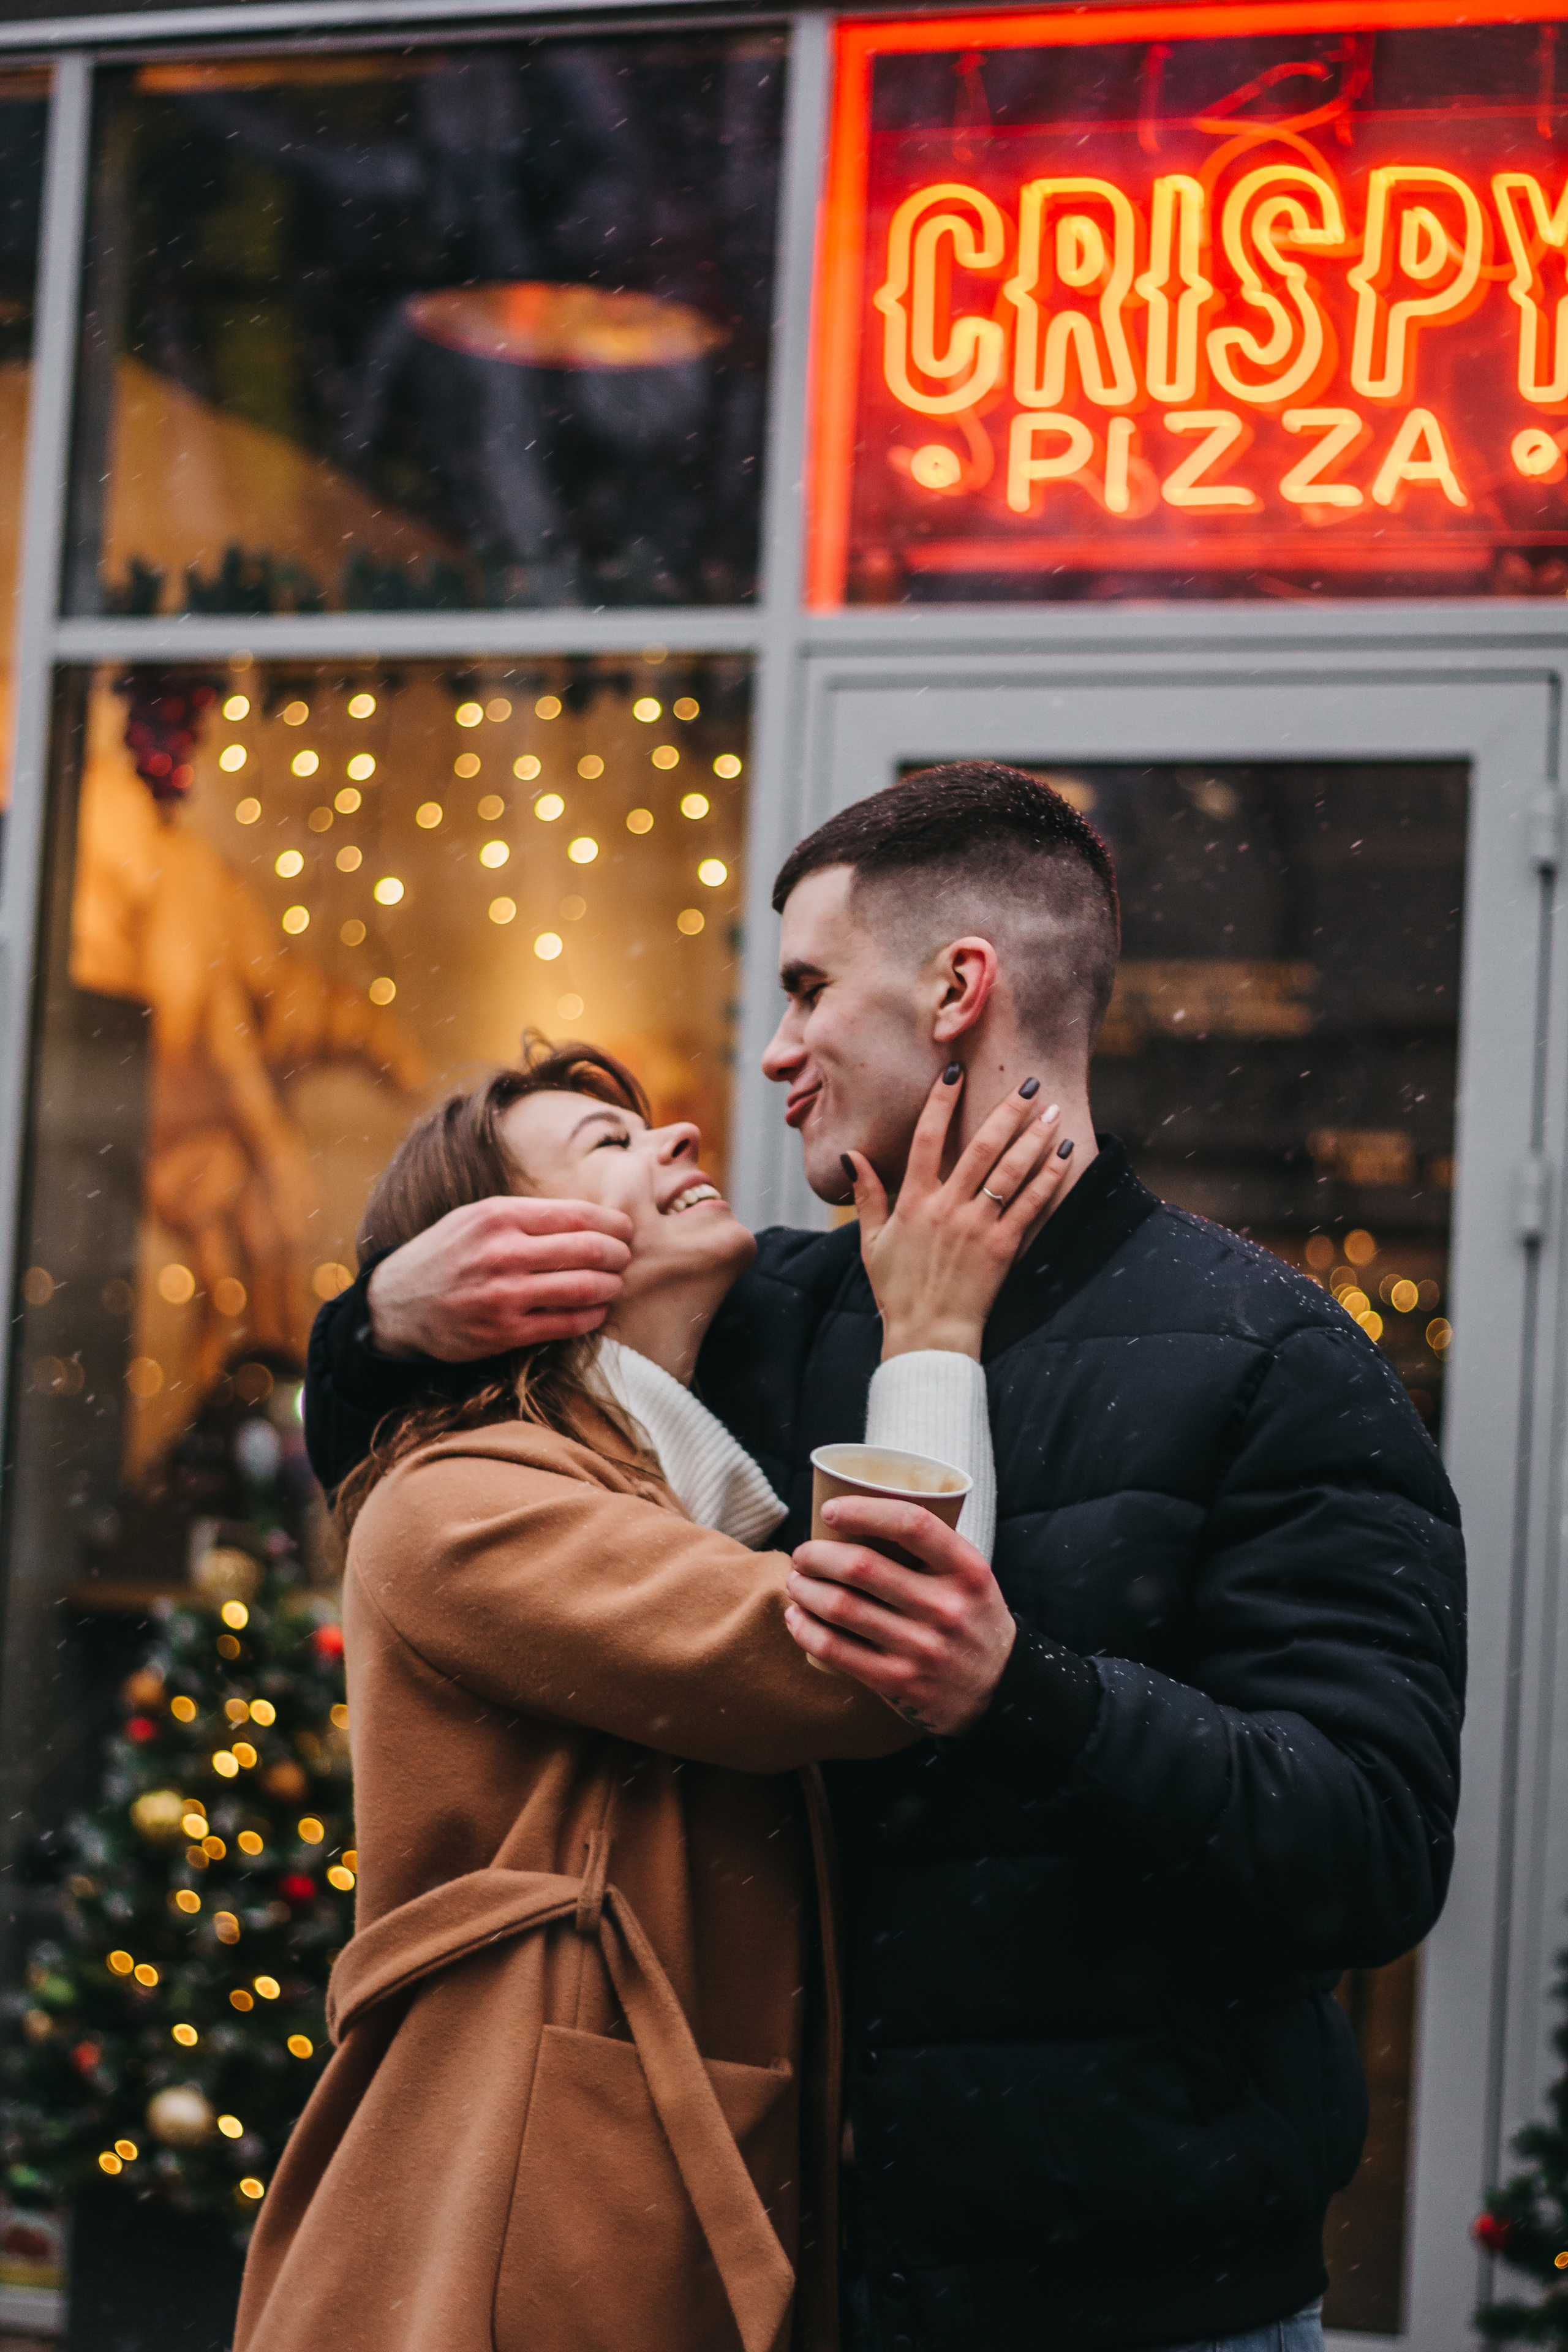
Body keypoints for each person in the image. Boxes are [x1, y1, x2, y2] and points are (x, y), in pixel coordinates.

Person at [304, 765, 1467, 2352]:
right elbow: (486, 1497)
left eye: (803, 990)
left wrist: (1032, 1699)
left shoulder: (1272, 1357)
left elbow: (1372, 1846)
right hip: (793, 2277)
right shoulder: (752, 1315)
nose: (766, 1056)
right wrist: (372, 1332)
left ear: (954, 991)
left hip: (1143, 2304)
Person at [240, 1038, 1073, 2352]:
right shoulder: (465, 1498)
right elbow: (865, 1658)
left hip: (601, 2199)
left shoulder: (629, 1490)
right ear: (505, 1252)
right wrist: (927, 1330)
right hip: (520, 2229)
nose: (678, 1137)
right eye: (609, 1147)